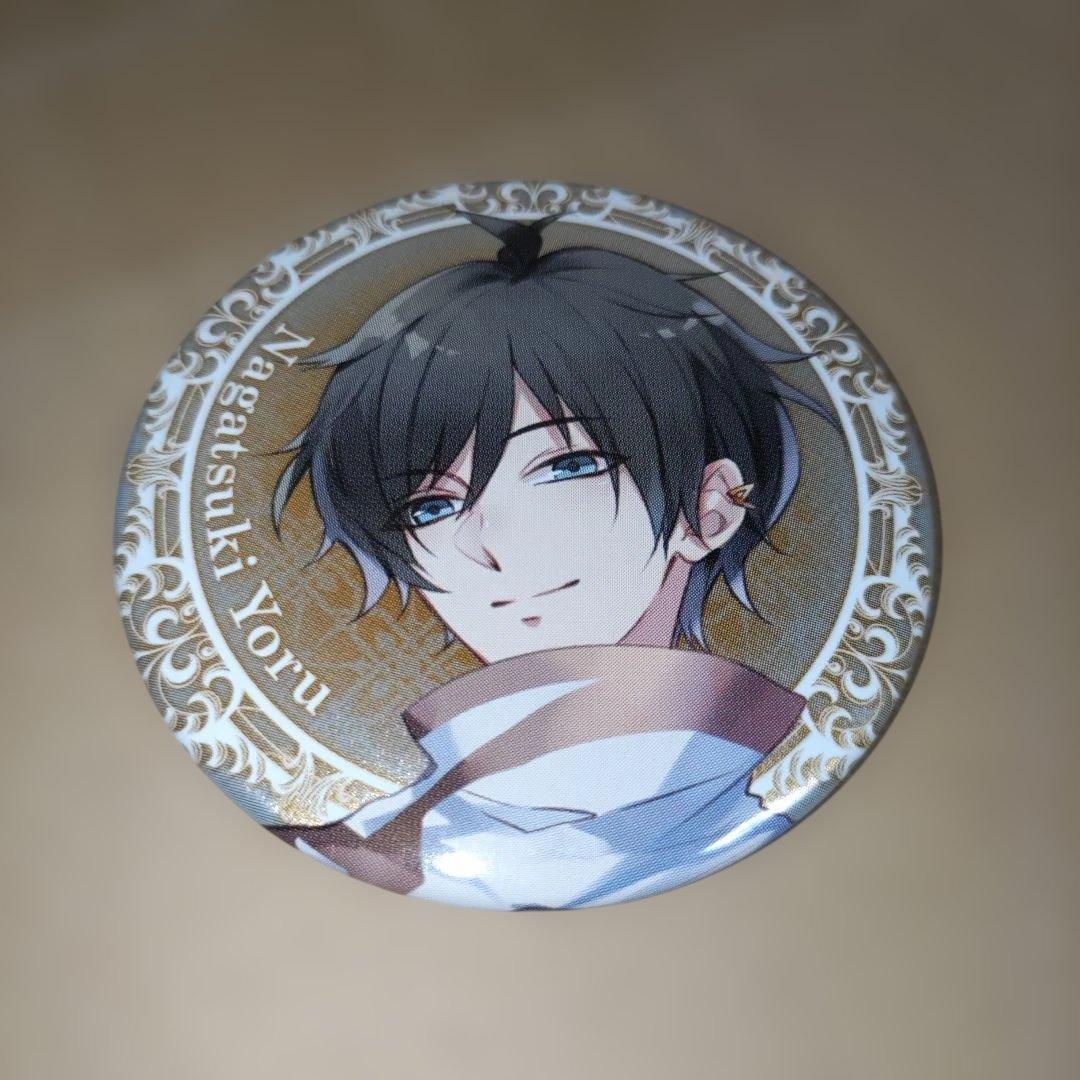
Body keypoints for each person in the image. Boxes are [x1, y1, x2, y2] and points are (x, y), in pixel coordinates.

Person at [268, 212, 837, 908]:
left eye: (568, 467)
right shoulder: (363, 843)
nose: (488, 545)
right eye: (431, 507)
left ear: (708, 509)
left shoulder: (738, 829)